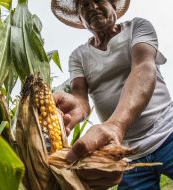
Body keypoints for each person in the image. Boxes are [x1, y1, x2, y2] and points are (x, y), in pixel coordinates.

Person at [51, 0, 173, 189]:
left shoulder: (137, 27)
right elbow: (80, 98)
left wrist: (116, 125)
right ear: (81, 19)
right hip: (126, 153)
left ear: (113, 5)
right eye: (84, 5)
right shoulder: (78, 56)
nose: (91, 7)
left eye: (98, 0)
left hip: (168, 133)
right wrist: (75, 105)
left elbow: (143, 67)